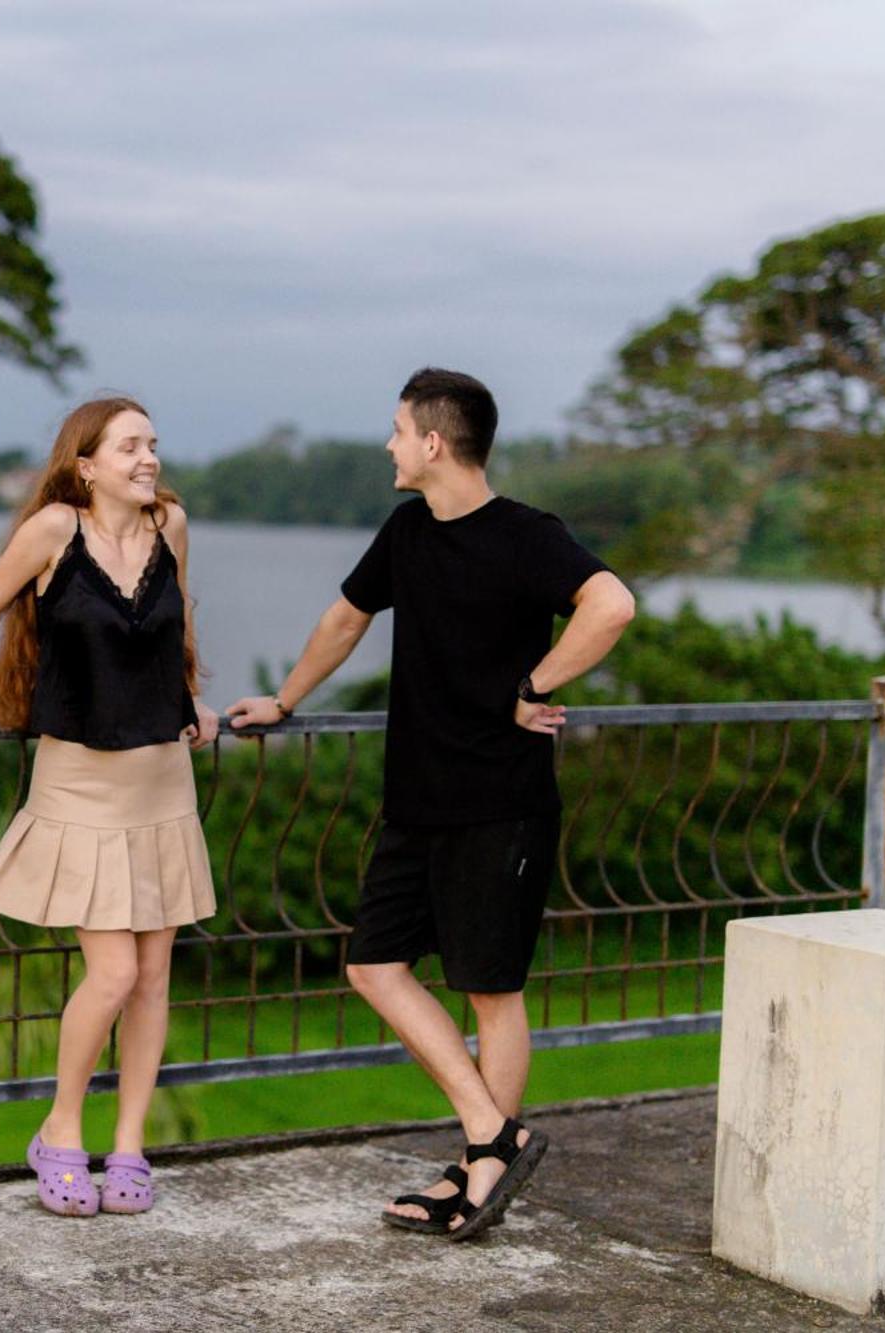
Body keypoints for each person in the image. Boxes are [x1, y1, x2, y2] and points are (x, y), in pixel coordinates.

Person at [228, 368, 635, 1241]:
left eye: (397, 429)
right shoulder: (408, 529)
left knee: (492, 989)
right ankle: (494, 1132)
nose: (388, 444)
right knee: (373, 964)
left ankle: (480, 1168)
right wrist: (287, 700)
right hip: (417, 799)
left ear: (433, 443)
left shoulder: (529, 535)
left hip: (503, 802)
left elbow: (612, 603)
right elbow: (345, 619)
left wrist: (536, 682)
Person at [0, 396, 220, 1217]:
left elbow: (175, 623)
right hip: (78, 778)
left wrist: (193, 698)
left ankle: (128, 1146)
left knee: (153, 975)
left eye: (153, 442)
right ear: (86, 463)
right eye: (130, 445)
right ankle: (59, 1130)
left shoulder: (172, 527)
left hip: (162, 774)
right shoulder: (54, 530)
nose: (148, 457)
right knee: (113, 970)